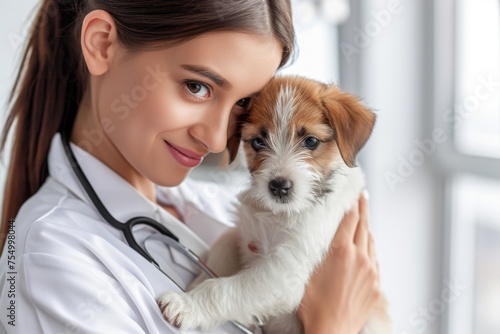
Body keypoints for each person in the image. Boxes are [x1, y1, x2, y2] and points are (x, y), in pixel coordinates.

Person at [0, 1, 381, 333]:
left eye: (243, 102)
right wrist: (332, 327)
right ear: (102, 44)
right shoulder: (49, 262)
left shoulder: (211, 205)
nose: (217, 141)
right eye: (197, 86)